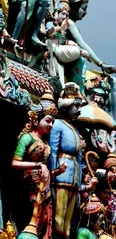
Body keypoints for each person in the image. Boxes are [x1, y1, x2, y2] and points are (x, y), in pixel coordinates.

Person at [12, 92, 64, 239]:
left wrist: (57, 171)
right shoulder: (27, 138)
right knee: (30, 219)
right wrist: (37, 165)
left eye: (53, 122)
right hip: (29, 187)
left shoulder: (46, 144)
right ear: (36, 120)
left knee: (44, 222)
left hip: (45, 189)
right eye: (48, 121)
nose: (51, 125)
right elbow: (15, 163)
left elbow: (46, 171)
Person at [50, 83, 97, 239]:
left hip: (74, 179)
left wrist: (84, 181)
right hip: (61, 177)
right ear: (66, 105)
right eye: (75, 105)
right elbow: (53, 151)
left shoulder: (75, 130)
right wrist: (53, 171)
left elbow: (78, 158)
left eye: (80, 105)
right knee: (58, 218)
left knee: (69, 223)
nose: (79, 109)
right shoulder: (57, 125)